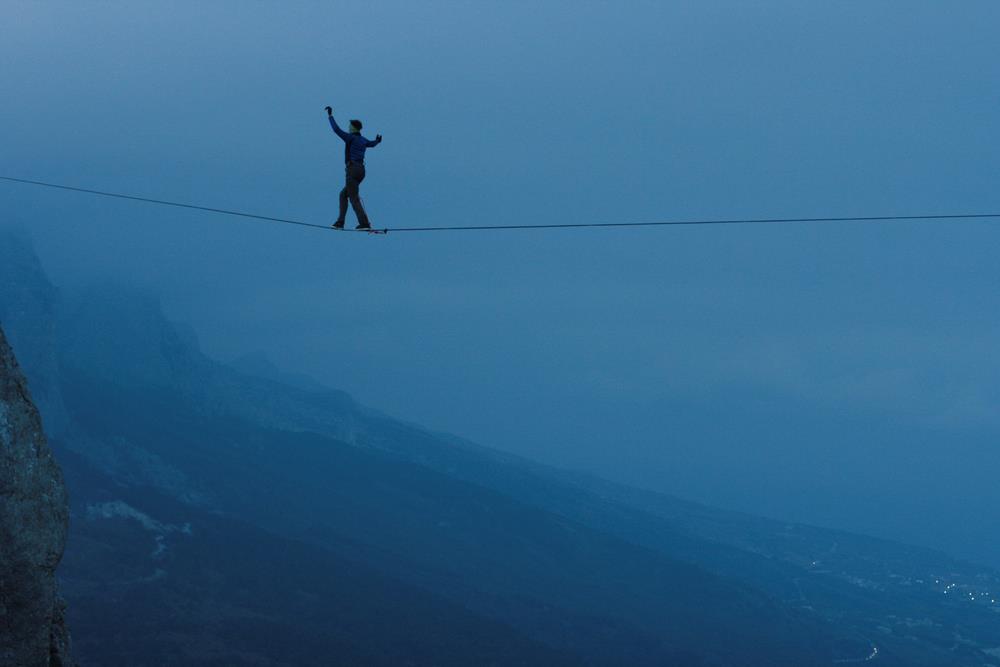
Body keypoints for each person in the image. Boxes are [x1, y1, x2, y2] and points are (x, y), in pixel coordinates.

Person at [326, 105, 383, 229]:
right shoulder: (363, 140)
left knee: (353, 198)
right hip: (361, 171)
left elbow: (336, 130)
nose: (348, 128)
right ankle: (340, 221)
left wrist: (330, 116)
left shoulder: (350, 137)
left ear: (353, 128)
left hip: (352, 170)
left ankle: (364, 223)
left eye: (350, 126)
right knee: (343, 194)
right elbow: (372, 144)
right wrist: (378, 141)